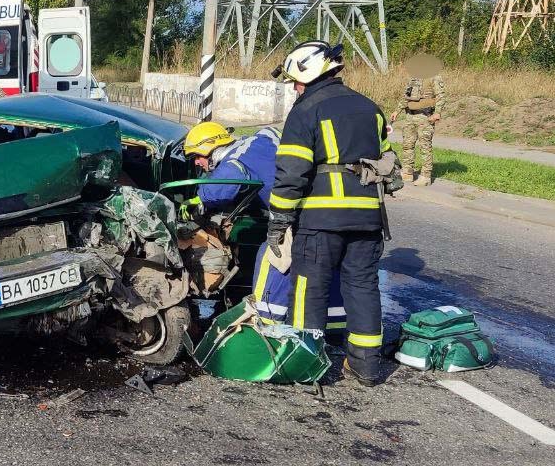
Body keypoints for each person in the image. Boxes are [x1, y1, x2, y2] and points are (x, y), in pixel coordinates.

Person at [266, 40, 394, 387]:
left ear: (309, 74)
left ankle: (307, 364)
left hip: (321, 220)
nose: (294, 88)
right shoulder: (372, 108)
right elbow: (389, 162)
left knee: (310, 289)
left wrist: (279, 220)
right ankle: (366, 367)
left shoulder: (306, 111)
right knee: (363, 287)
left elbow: (292, 172)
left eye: (296, 80)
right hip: (368, 217)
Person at [182, 121, 280, 212]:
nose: (196, 162)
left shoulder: (233, 162)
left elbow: (230, 172)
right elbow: (272, 131)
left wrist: (200, 199)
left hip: (287, 215)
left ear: (210, 149)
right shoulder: (256, 140)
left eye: (197, 156)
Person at [392, 74, 446, 186]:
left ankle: (425, 176)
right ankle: (407, 172)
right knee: (407, 144)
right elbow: (406, 96)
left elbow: (441, 96)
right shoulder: (413, 78)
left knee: (425, 146)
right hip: (410, 116)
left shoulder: (434, 77)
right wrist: (397, 111)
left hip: (425, 116)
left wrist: (437, 113)